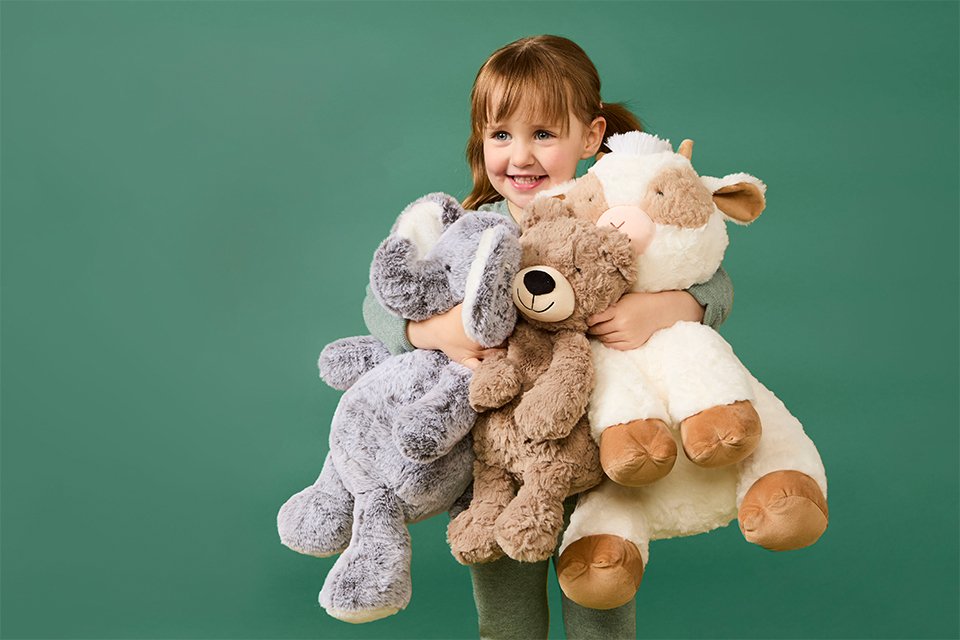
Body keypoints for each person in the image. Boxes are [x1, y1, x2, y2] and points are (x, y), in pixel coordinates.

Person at [362, 35, 733, 639]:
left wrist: (674, 305)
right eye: (501, 134)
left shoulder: (618, 216)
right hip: (496, 462)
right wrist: (430, 328)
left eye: (543, 134)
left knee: (600, 603)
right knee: (506, 617)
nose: (520, 155)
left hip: (600, 456)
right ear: (480, 139)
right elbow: (378, 304)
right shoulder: (467, 228)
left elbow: (712, 279)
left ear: (590, 137)